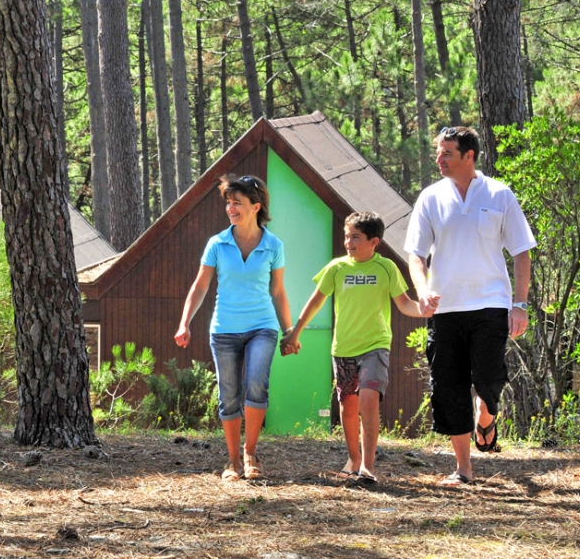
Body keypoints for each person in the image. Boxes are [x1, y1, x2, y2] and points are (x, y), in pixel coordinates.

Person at [404, 127, 535, 486]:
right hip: (445, 309)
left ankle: (487, 414)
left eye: (447, 152)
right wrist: (423, 290)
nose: (439, 158)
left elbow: (521, 250)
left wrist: (519, 305)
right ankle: (463, 468)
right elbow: (415, 254)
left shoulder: (499, 193)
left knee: (488, 377)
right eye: (437, 151)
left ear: (469, 155)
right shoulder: (430, 198)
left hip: (491, 303)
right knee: (449, 385)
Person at [281, 211, 432, 483]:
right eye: (346, 236)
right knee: (348, 406)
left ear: (374, 242)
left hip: (376, 345)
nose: (348, 242)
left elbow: (405, 304)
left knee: (369, 400)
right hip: (343, 348)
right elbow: (316, 301)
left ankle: (368, 467)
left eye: (355, 237)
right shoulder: (337, 268)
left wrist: (426, 310)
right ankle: (353, 458)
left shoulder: (386, 268)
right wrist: (295, 333)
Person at [174, 175, 292, 481]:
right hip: (224, 328)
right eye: (228, 202)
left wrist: (289, 330)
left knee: (256, 384)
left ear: (256, 206)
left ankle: (250, 452)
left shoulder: (273, 245)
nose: (230, 208)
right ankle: (232, 461)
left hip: (262, 327)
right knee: (228, 395)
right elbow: (200, 287)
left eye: (237, 202)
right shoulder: (217, 243)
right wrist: (184, 322)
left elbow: (278, 292)